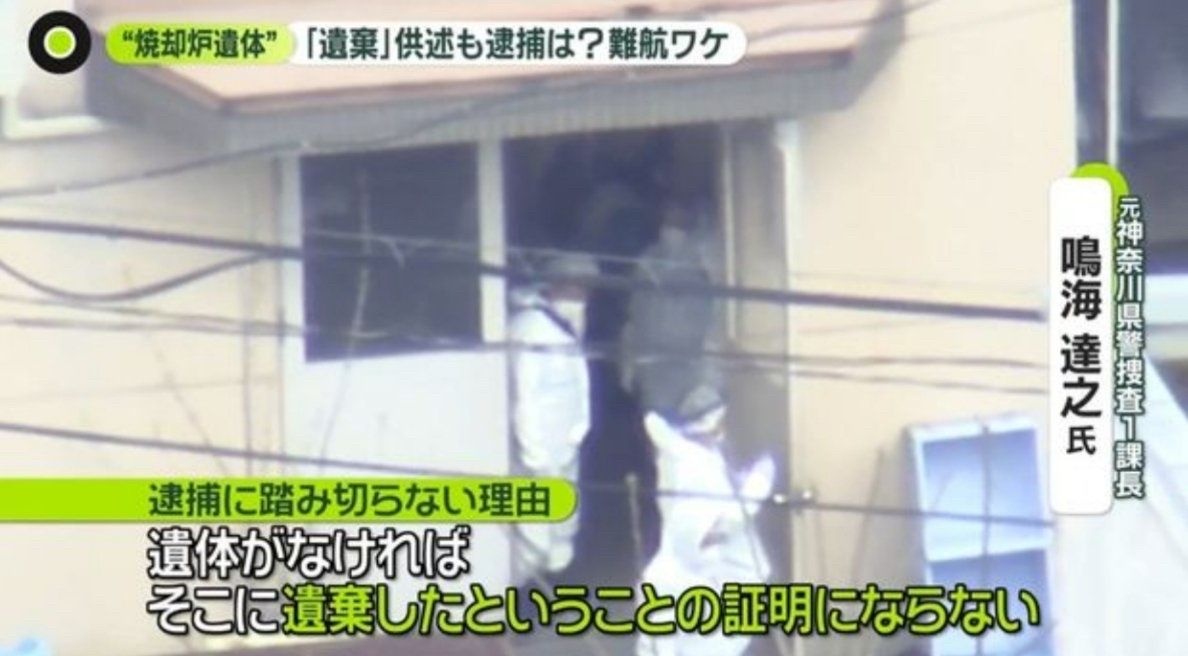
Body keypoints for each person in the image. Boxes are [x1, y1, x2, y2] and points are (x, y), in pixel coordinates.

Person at [636, 386, 775, 656]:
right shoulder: (694, 469)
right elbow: (716, 528)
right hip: (688, 584)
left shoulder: (687, 454)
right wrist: (756, 488)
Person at [507, 252, 598, 586]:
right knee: (534, 537)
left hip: (564, 447)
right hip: (538, 454)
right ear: (555, 287)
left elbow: (576, 385)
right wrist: (535, 455)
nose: (582, 298)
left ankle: (555, 592)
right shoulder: (530, 329)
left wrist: (578, 430)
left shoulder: (565, 326)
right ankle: (520, 599)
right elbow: (524, 397)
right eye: (576, 290)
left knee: (562, 529)